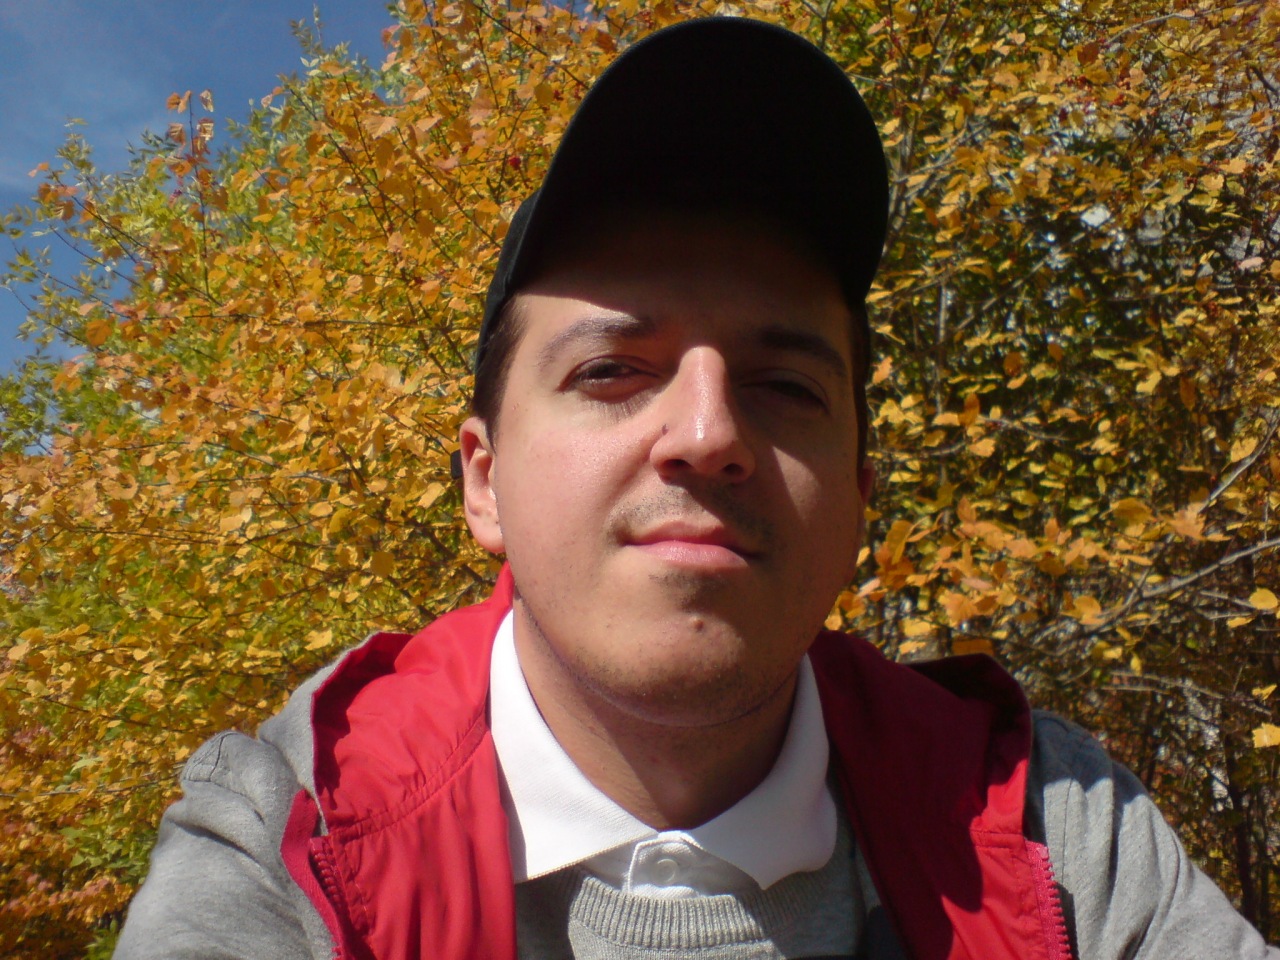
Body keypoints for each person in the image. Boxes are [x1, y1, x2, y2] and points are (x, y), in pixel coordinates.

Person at [114, 17, 1278, 960]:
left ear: (857, 496)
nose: (710, 434)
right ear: (483, 483)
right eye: (611, 371)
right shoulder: (289, 833)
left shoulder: (1053, 832)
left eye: (783, 386)